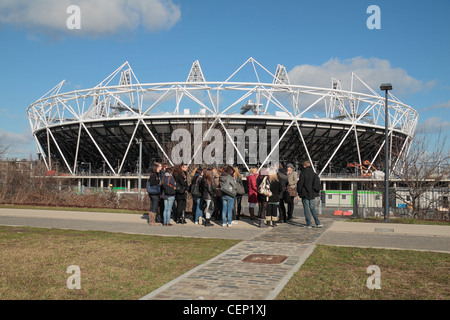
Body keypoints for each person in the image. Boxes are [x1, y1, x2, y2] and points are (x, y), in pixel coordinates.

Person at [297, 160, 322, 228]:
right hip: (312, 194)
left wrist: (299, 192)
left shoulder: (303, 173)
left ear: (304, 166)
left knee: (306, 208)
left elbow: (300, 184)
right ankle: (318, 223)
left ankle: (309, 223)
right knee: (312, 208)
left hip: (305, 194)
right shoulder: (314, 174)